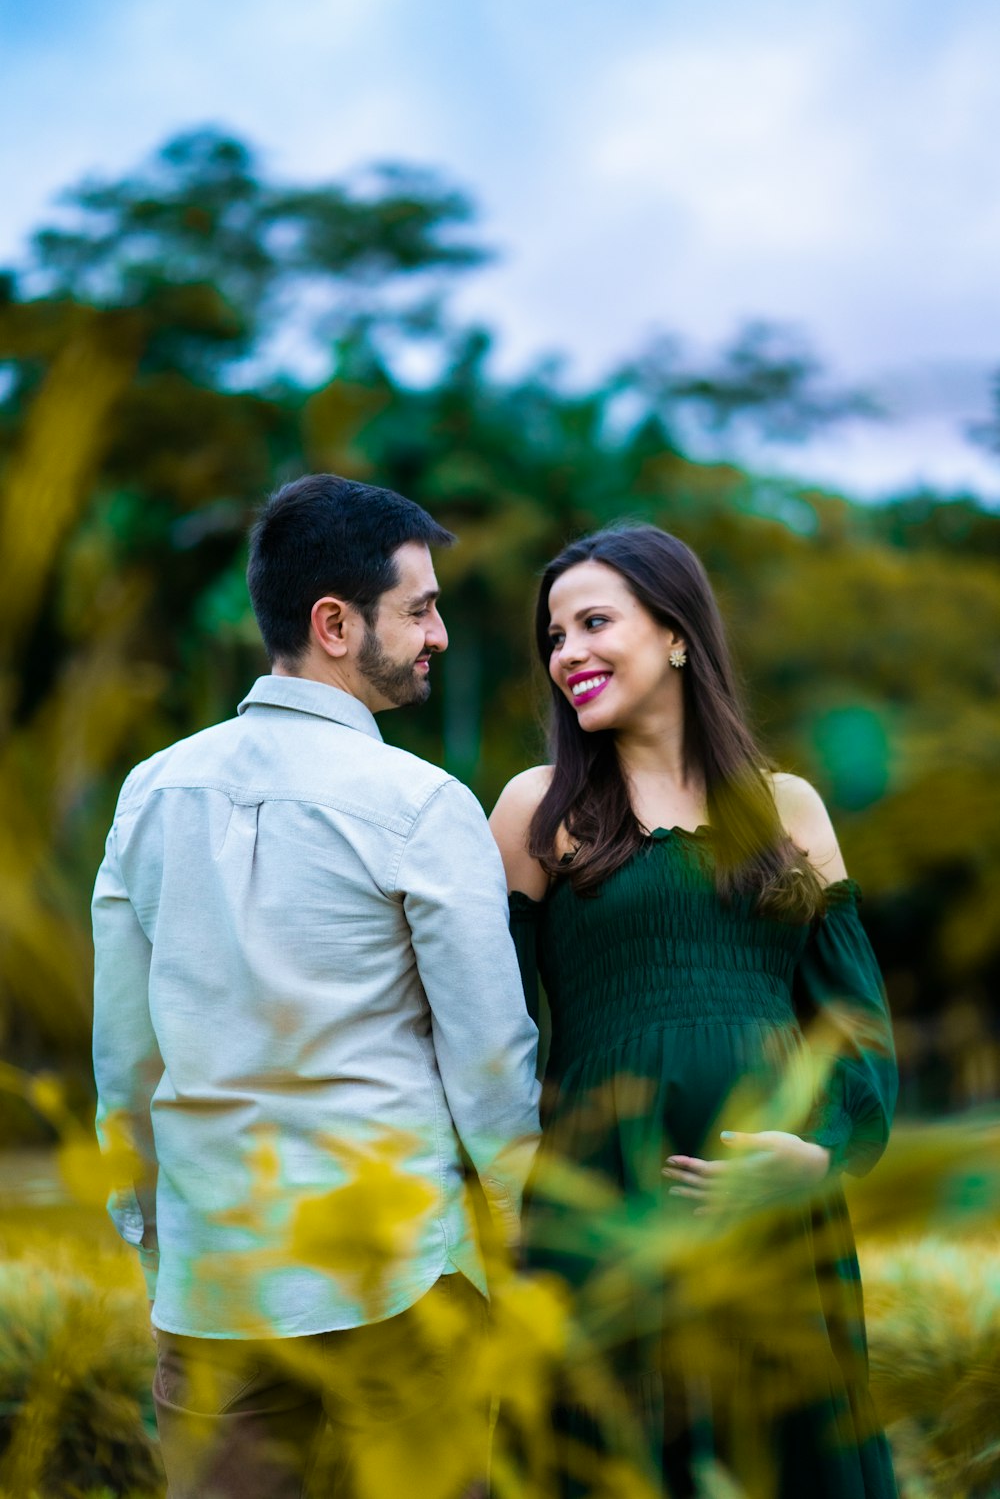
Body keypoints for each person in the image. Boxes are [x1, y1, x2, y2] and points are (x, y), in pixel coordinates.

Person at [92, 473, 540, 1499]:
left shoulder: (153, 791)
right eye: (418, 609)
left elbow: (124, 1046)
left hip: (217, 1280)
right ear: (334, 623)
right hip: (401, 1277)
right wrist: (512, 1223)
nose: (435, 634)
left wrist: (151, 1223)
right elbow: (488, 1056)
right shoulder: (421, 804)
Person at [489, 525, 898, 1498]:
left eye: (594, 623)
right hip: (601, 1208)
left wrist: (820, 1153)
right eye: (553, 636)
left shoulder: (787, 807)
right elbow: (484, 1032)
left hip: (772, 1212)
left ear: (676, 634)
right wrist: (503, 1193)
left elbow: (856, 1026)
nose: (567, 655)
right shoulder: (534, 809)